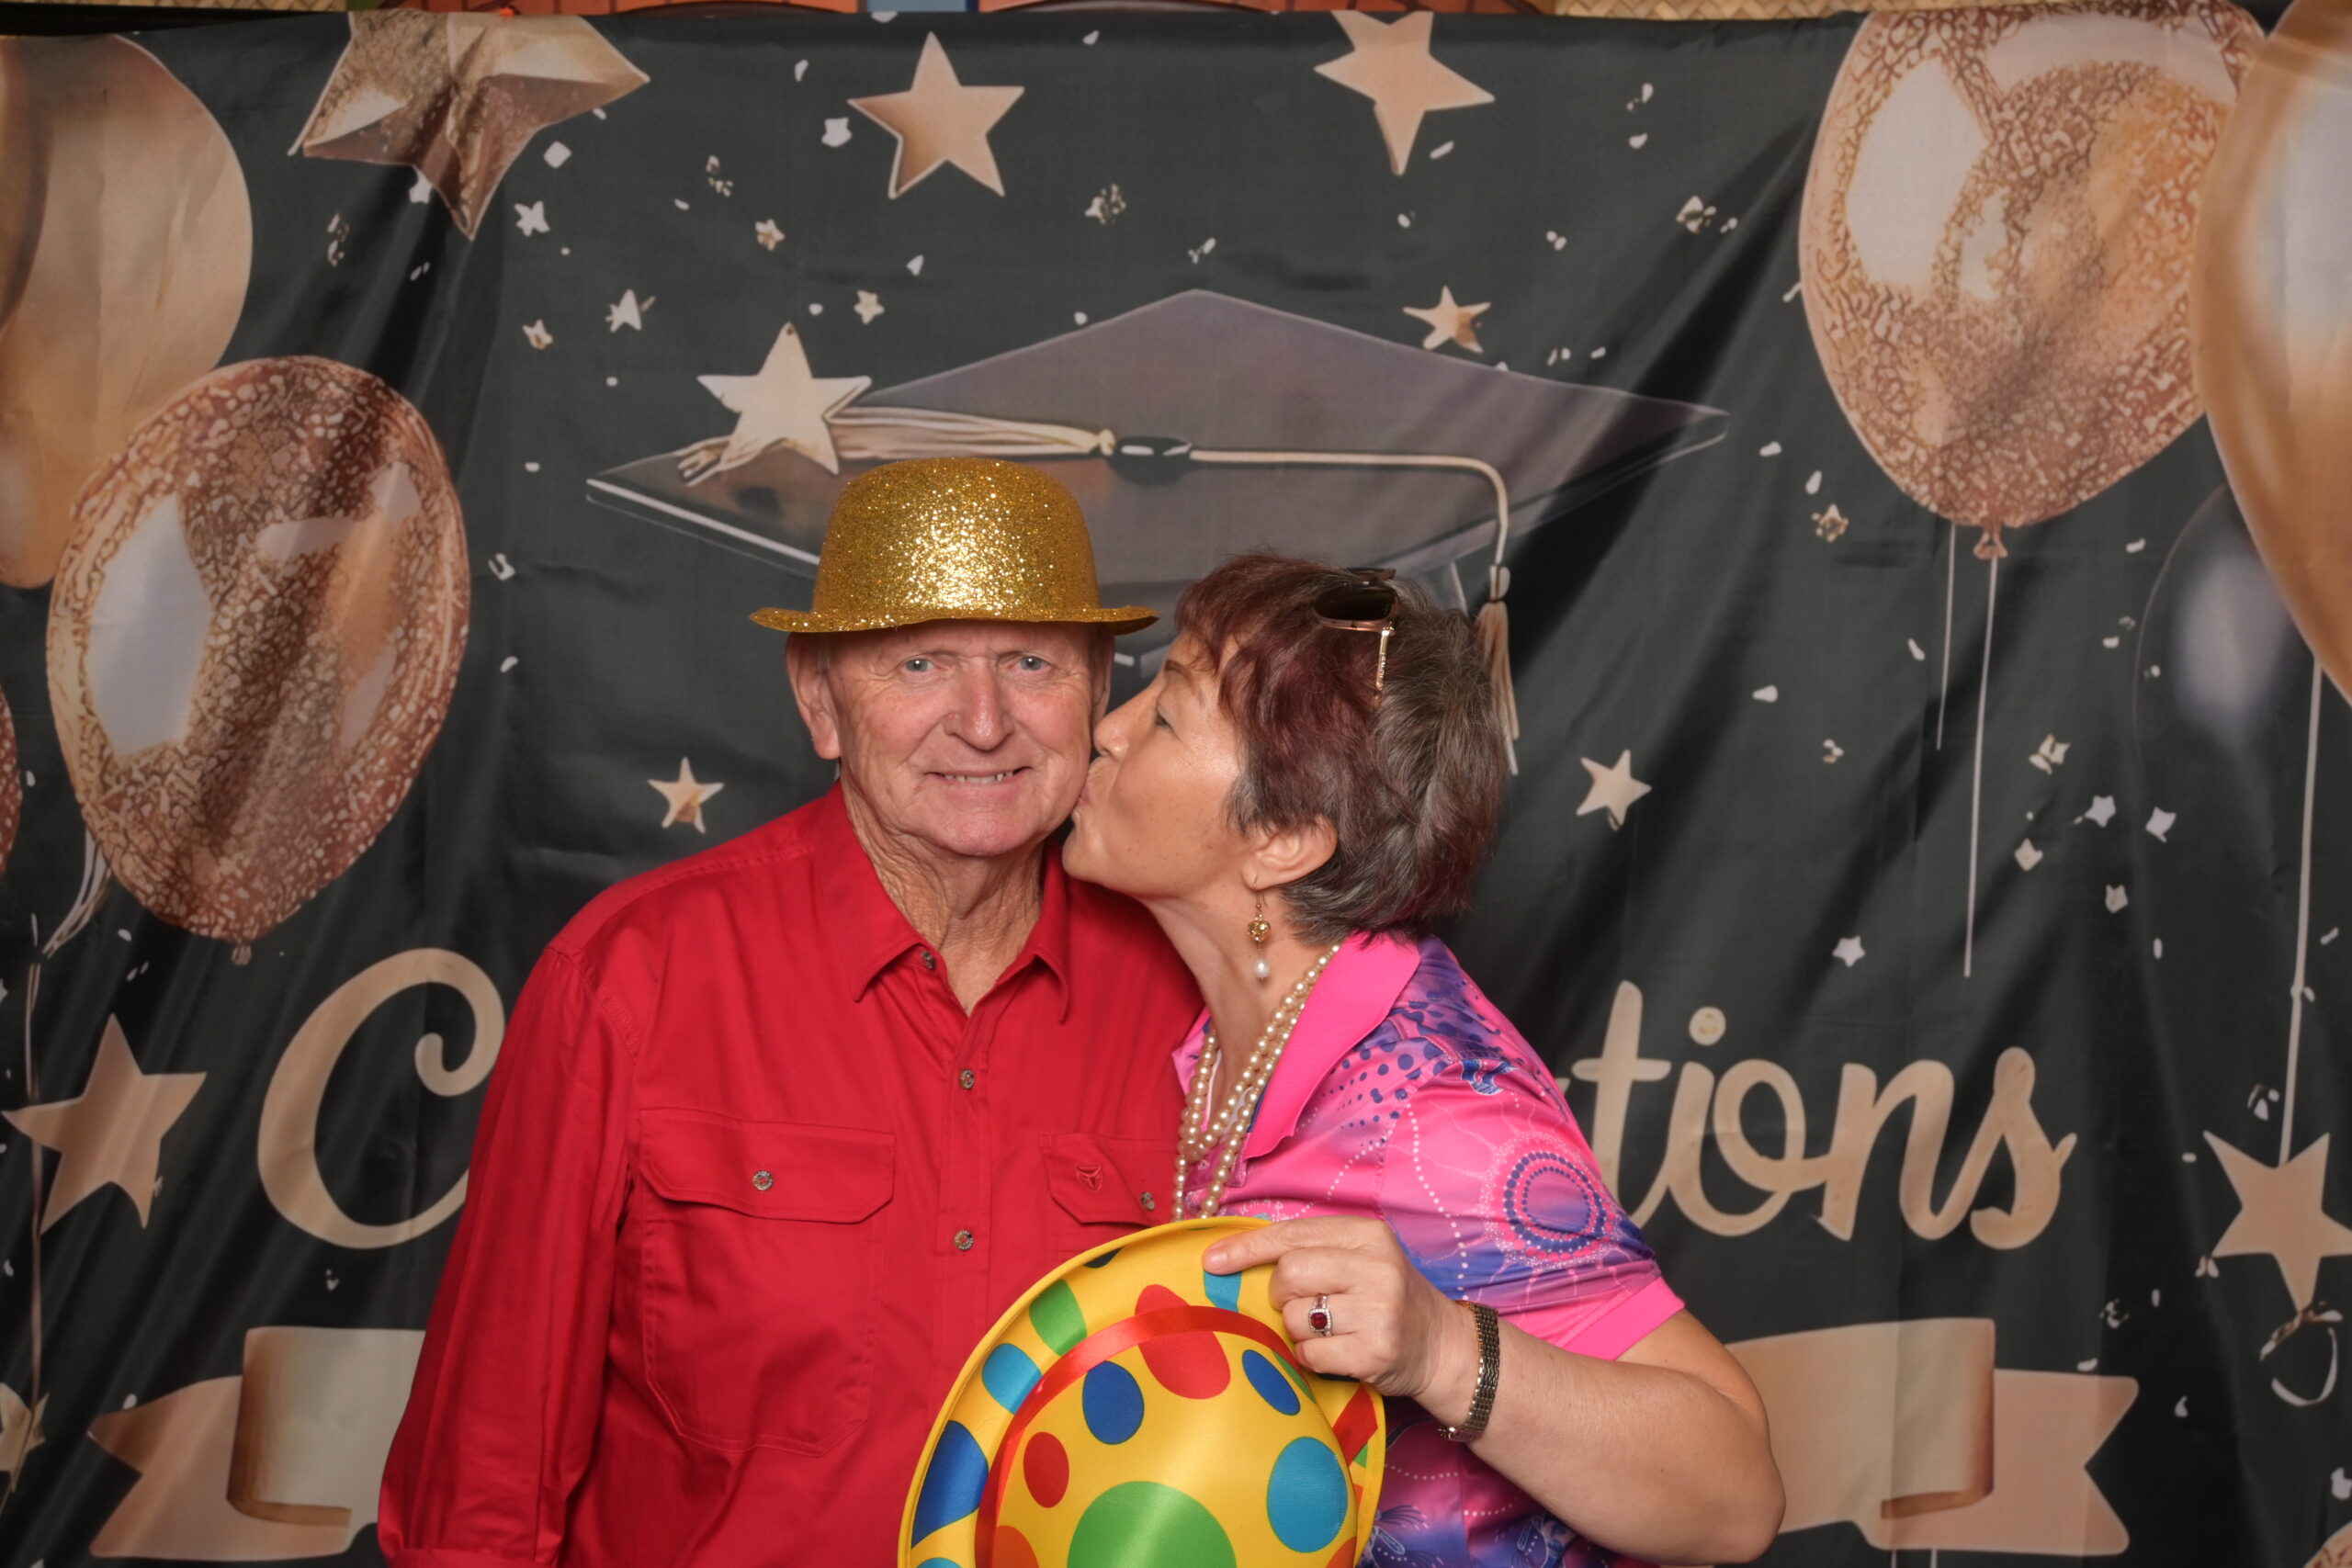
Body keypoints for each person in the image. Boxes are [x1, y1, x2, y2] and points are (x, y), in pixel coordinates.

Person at [377, 458, 1199, 1567]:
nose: (985, 721)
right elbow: (483, 1476)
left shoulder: (1191, 997)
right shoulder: (632, 979)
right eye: (920, 662)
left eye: (1031, 664)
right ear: (818, 697)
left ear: (1099, 692)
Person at [1062, 555, 1785, 1568]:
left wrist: (1445, 1349)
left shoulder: (1436, 1111)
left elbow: (1736, 1495)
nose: (1109, 728)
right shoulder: (1219, 1034)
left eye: (1168, 714)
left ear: (1282, 841)